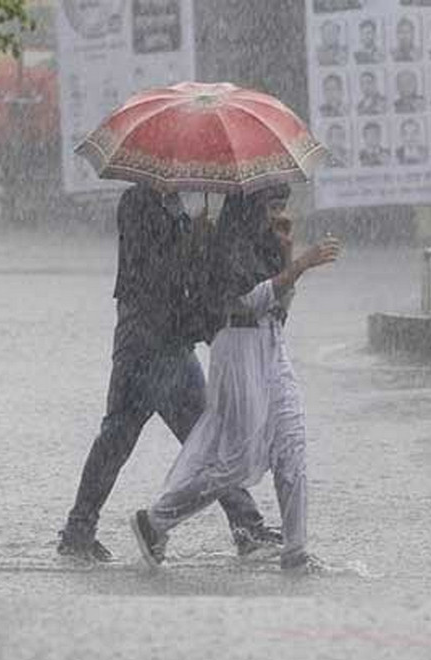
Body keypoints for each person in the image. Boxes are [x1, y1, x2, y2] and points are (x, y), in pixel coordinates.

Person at [57, 184, 279, 563]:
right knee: (204, 438)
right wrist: (193, 239)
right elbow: (151, 272)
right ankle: (246, 526)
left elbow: (185, 276)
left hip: (166, 341)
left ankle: (79, 529)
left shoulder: (173, 204)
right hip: (148, 342)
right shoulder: (138, 202)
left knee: (119, 438)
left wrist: (202, 243)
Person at [130, 185, 341, 572]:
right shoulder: (226, 247)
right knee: (237, 459)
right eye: (271, 207)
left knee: (291, 446)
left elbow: (279, 308)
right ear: (250, 209)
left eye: (282, 206)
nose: (278, 215)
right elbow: (242, 303)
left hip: (272, 346)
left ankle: (296, 552)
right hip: (237, 347)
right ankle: (157, 520)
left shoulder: (268, 244)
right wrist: (298, 267)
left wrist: (287, 254)